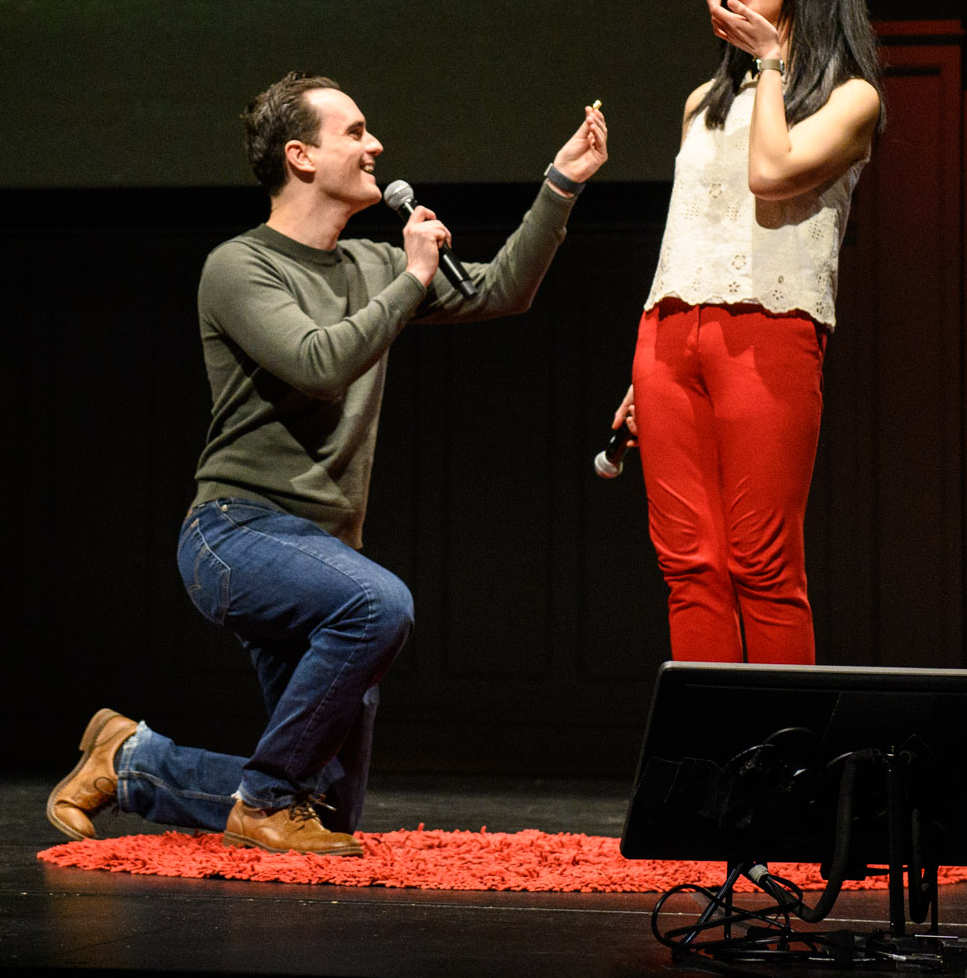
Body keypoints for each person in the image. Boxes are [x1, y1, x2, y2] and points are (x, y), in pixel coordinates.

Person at [47, 75, 609, 856]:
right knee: (382, 607)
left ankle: (132, 759)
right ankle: (262, 795)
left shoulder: (373, 263)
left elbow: (500, 290)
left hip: (320, 555)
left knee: (327, 811)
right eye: (356, 132)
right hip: (233, 533)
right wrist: (412, 278)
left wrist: (560, 184)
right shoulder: (240, 267)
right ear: (301, 156)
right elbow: (319, 363)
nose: (375, 145)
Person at [611, 0, 883, 665]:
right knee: (689, 565)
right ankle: (709, 766)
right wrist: (645, 367)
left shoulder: (851, 98)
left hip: (769, 330)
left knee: (762, 566)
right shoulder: (702, 101)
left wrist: (770, 65)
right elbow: (687, 229)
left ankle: (779, 769)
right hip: (666, 337)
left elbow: (770, 175)